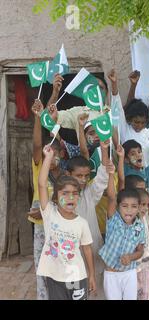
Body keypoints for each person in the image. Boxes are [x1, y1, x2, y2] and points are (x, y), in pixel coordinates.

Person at [37, 145, 96, 300]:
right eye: (65, 193)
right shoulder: (50, 213)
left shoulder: (82, 223)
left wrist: (91, 275)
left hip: (77, 276)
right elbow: (42, 184)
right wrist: (48, 158)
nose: (71, 197)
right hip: (54, 277)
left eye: (75, 194)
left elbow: (87, 250)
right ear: (56, 197)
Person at [65, 140, 112, 296]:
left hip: (93, 250)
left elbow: (102, 177)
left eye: (86, 176)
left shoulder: (89, 194)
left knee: (95, 290)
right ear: (68, 175)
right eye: (79, 176)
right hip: (72, 256)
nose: (83, 180)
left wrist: (104, 150)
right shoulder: (60, 200)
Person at [30, 99, 64, 300]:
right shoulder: (39, 165)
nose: (51, 155)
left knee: (60, 267)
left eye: (55, 152)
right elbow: (36, 144)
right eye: (47, 152)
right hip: (42, 227)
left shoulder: (65, 173)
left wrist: (54, 126)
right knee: (42, 267)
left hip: (60, 228)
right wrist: (37, 119)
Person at [99, 189, 146, 300]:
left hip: (129, 273)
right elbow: (111, 197)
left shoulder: (140, 227)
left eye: (134, 206)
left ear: (139, 207)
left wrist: (130, 257)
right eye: (125, 206)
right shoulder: (113, 219)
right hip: (111, 274)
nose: (129, 210)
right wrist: (111, 174)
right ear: (118, 206)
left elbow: (140, 251)